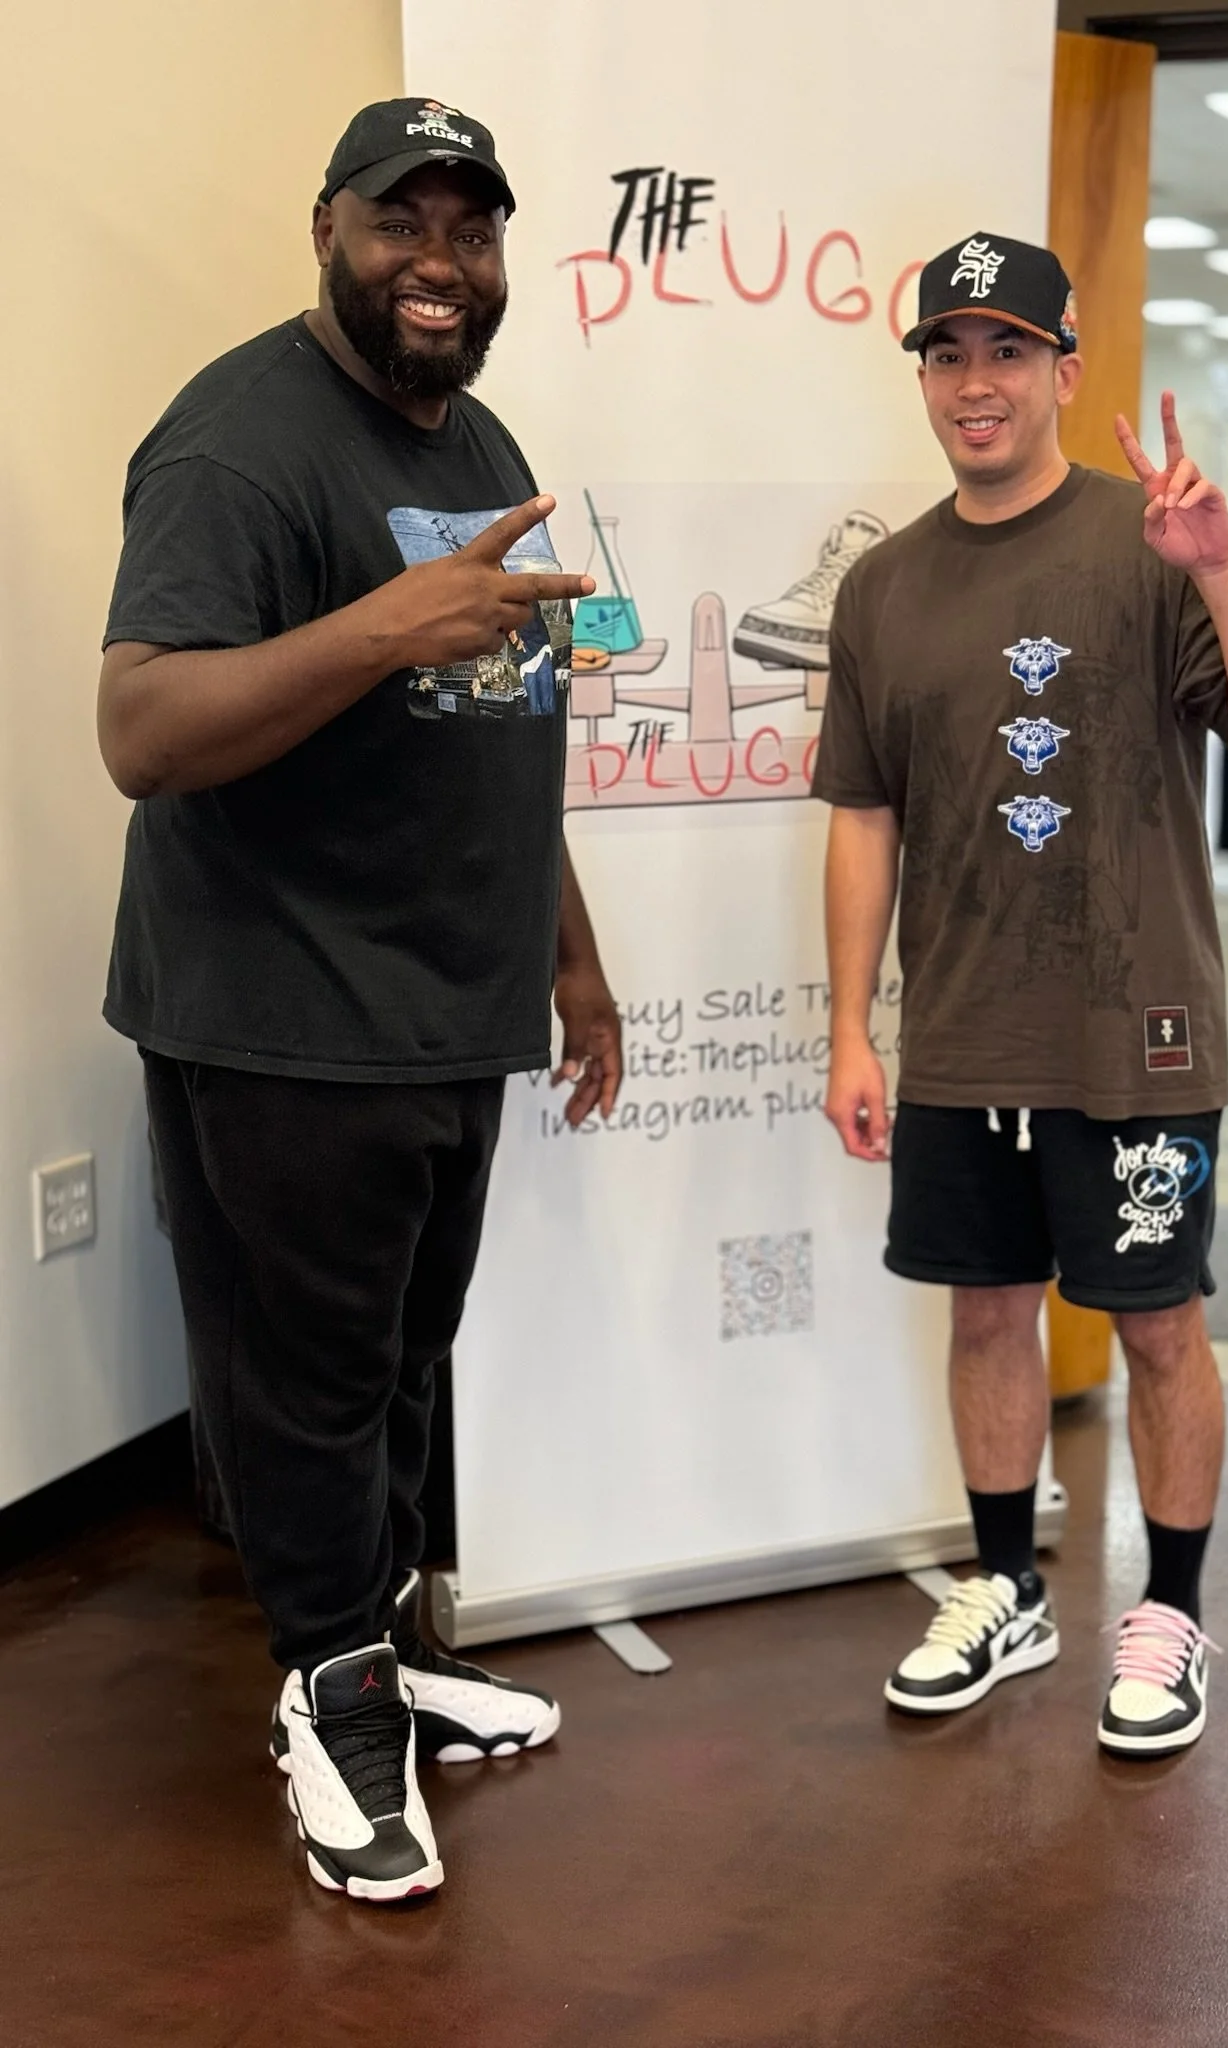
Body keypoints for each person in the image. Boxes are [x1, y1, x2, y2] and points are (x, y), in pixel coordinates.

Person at [97, 99, 623, 1902]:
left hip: (447, 1001)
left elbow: (503, 724)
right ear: (328, 227)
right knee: (308, 1382)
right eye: (403, 223)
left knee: (401, 1360)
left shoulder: (478, 435)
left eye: (471, 231)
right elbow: (141, 729)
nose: (439, 264)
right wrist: (383, 627)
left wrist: (570, 954)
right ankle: (328, 1700)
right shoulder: (236, 444)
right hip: (284, 1006)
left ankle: (383, 1649)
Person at [813, 232, 1228, 1756]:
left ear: (1064, 369)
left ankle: (1171, 1610)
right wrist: (850, 1028)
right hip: (962, 1030)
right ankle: (1004, 1584)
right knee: (985, 1311)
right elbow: (864, 816)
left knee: (1158, 1326)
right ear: (924, 376)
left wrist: (1220, 572)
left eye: (1008, 352)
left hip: (1138, 1028)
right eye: (948, 354)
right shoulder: (884, 587)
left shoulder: (1148, 542)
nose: (975, 383)